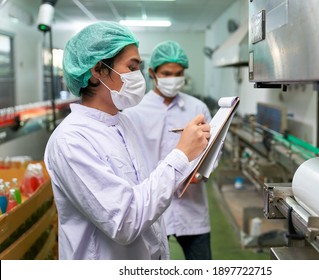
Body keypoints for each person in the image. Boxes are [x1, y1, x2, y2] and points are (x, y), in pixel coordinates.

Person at [43, 22, 210, 260]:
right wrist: (181, 155)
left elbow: (143, 194)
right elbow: (124, 221)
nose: (138, 77)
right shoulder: (71, 141)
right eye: (131, 67)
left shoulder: (121, 123)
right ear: (98, 70)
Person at [123, 40, 213, 260]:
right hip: (151, 205)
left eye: (178, 73)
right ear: (152, 73)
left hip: (191, 206)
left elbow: (213, 150)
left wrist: (200, 173)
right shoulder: (134, 111)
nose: (173, 79)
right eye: (166, 73)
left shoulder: (197, 108)